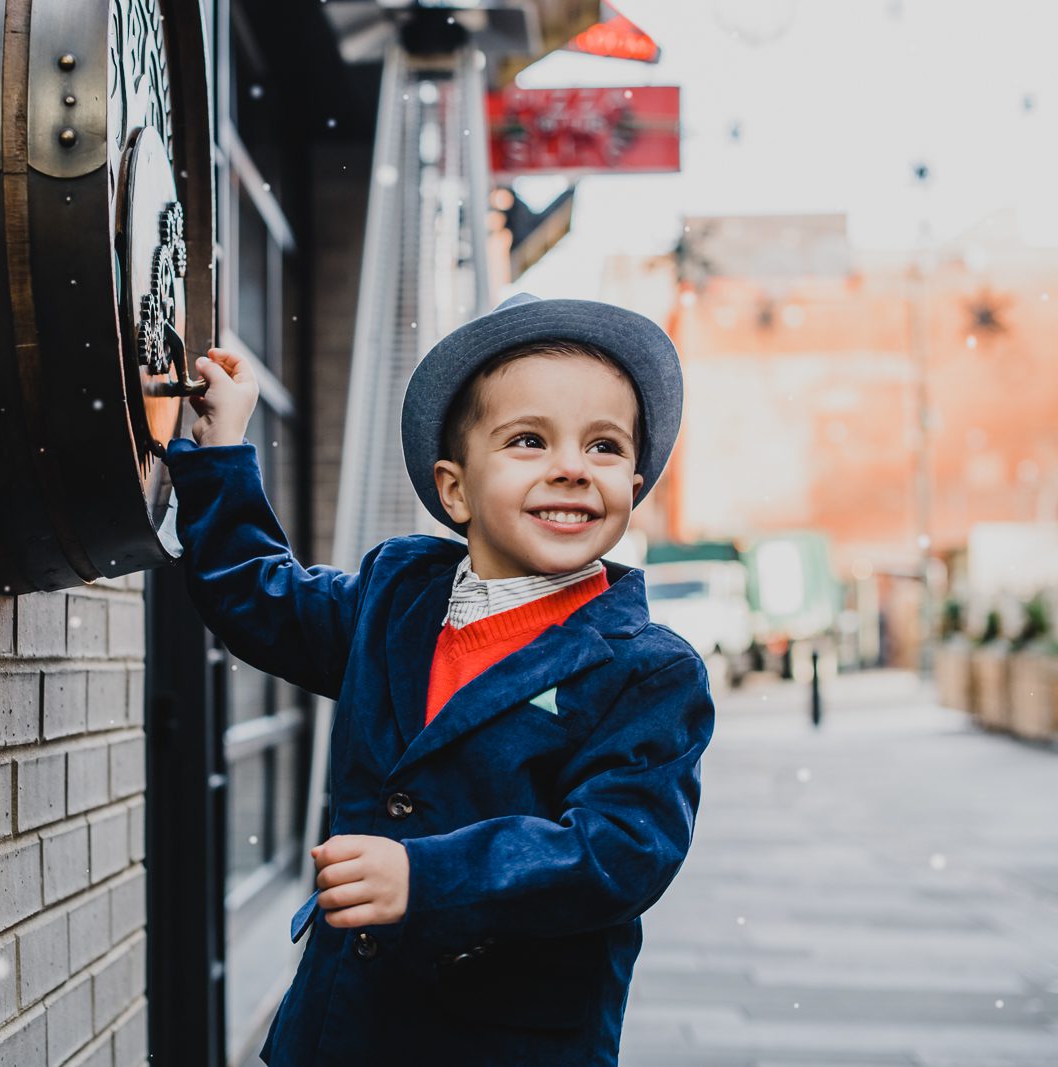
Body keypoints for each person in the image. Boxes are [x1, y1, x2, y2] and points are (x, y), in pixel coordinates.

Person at [159, 291, 716, 1066]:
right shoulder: (397, 599)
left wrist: (427, 874)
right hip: (343, 1027)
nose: (570, 468)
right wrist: (221, 449)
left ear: (635, 479)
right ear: (455, 489)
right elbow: (260, 598)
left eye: (604, 447)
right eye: (529, 440)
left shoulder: (648, 668)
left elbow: (619, 849)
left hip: (499, 1042)